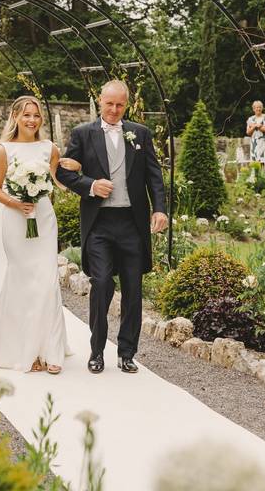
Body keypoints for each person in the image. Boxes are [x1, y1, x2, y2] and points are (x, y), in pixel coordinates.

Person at [56, 80, 168, 374]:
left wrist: (159, 209)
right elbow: (63, 172)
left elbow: (154, 176)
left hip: (132, 223)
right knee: (102, 283)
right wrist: (90, 185)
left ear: (126, 105)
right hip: (100, 225)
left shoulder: (140, 133)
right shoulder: (83, 133)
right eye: (109, 104)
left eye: (120, 105)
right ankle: (96, 351)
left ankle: (127, 353)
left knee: (133, 289)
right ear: (100, 101)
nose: (114, 110)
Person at [0, 96, 71, 374]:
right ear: (15, 117)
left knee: (47, 281)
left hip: (44, 219)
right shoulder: (4, 150)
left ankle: (51, 350)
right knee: (22, 281)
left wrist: (75, 172)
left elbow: (56, 182)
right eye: (26, 115)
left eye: (36, 115)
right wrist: (15, 202)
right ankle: (25, 351)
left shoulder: (50, 148)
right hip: (15, 219)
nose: (32, 120)